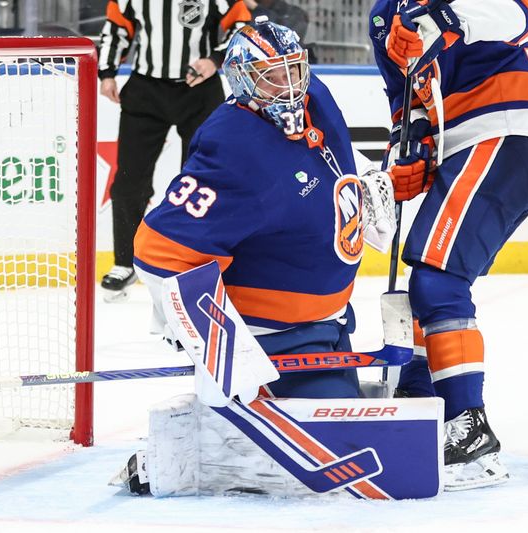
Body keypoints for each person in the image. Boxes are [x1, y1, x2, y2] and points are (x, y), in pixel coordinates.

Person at [109, 19, 444, 499]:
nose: (288, 84)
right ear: (243, 80)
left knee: (358, 423)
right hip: (272, 342)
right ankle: (189, 449)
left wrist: (366, 187)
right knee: (333, 463)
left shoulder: (316, 96)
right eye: (271, 75)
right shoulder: (233, 144)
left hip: (330, 325)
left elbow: (318, 169)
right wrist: (216, 345)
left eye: (294, 69)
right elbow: (160, 251)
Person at [369, 0, 528, 490]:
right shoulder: (382, 16)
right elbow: (407, 101)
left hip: (507, 123)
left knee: (438, 278)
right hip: (473, 137)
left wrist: (442, 19)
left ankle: (469, 428)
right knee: (427, 274)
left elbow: (521, 12)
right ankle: (424, 401)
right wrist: (409, 147)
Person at [97, 0, 252, 300]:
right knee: (129, 181)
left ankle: (196, 261)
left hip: (200, 91)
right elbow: (115, 30)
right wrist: (106, 73)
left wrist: (214, 59)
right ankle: (124, 262)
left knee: (203, 183)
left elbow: (242, 30)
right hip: (145, 91)